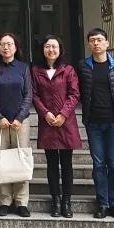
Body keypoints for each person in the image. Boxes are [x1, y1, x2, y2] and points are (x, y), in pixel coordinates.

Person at [78, 27, 114, 220]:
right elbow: (80, 92)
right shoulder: (84, 66)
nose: (96, 43)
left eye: (99, 40)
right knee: (99, 164)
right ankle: (102, 203)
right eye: (92, 40)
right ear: (88, 44)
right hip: (93, 122)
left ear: (107, 43)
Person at [31, 34, 82, 218]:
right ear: (43, 49)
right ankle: (55, 200)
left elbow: (74, 94)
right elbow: (34, 95)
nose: (51, 50)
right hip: (47, 123)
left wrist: (63, 114)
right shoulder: (36, 71)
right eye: (47, 46)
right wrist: (45, 113)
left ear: (60, 50)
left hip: (66, 123)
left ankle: (67, 202)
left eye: (54, 47)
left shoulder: (68, 70)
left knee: (67, 164)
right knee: (51, 164)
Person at [0, 32, 33, 216]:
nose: (6, 47)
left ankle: (21, 202)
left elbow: (28, 94)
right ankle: (4, 200)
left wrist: (19, 117)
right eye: (2, 44)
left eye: (9, 44)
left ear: (15, 47)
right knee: (2, 160)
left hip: (21, 122)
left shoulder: (23, 67)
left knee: (21, 159)